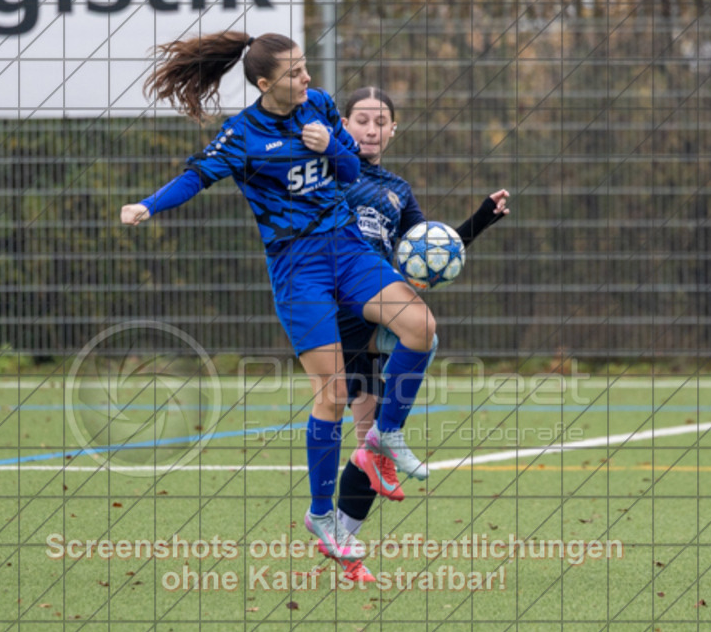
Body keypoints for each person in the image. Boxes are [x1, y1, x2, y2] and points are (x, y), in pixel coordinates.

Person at [119, 34, 438, 561]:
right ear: (266, 84)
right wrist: (148, 205)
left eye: (305, 67)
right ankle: (322, 517)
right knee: (333, 394)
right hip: (298, 268)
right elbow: (196, 177)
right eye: (294, 73)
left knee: (420, 327)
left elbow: (351, 170)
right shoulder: (242, 134)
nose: (306, 78)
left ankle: (385, 435)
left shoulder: (320, 105)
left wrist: (331, 145)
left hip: (348, 248)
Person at [318, 86, 510, 580]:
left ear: (393, 131)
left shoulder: (397, 191)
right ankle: (351, 514)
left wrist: (480, 221)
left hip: (380, 314)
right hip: (339, 316)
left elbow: (428, 252)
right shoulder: (326, 173)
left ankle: (343, 545)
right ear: (343, 124)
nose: (371, 129)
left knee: (369, 447)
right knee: (370, 435)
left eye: (381, 121)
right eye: (361, 119)